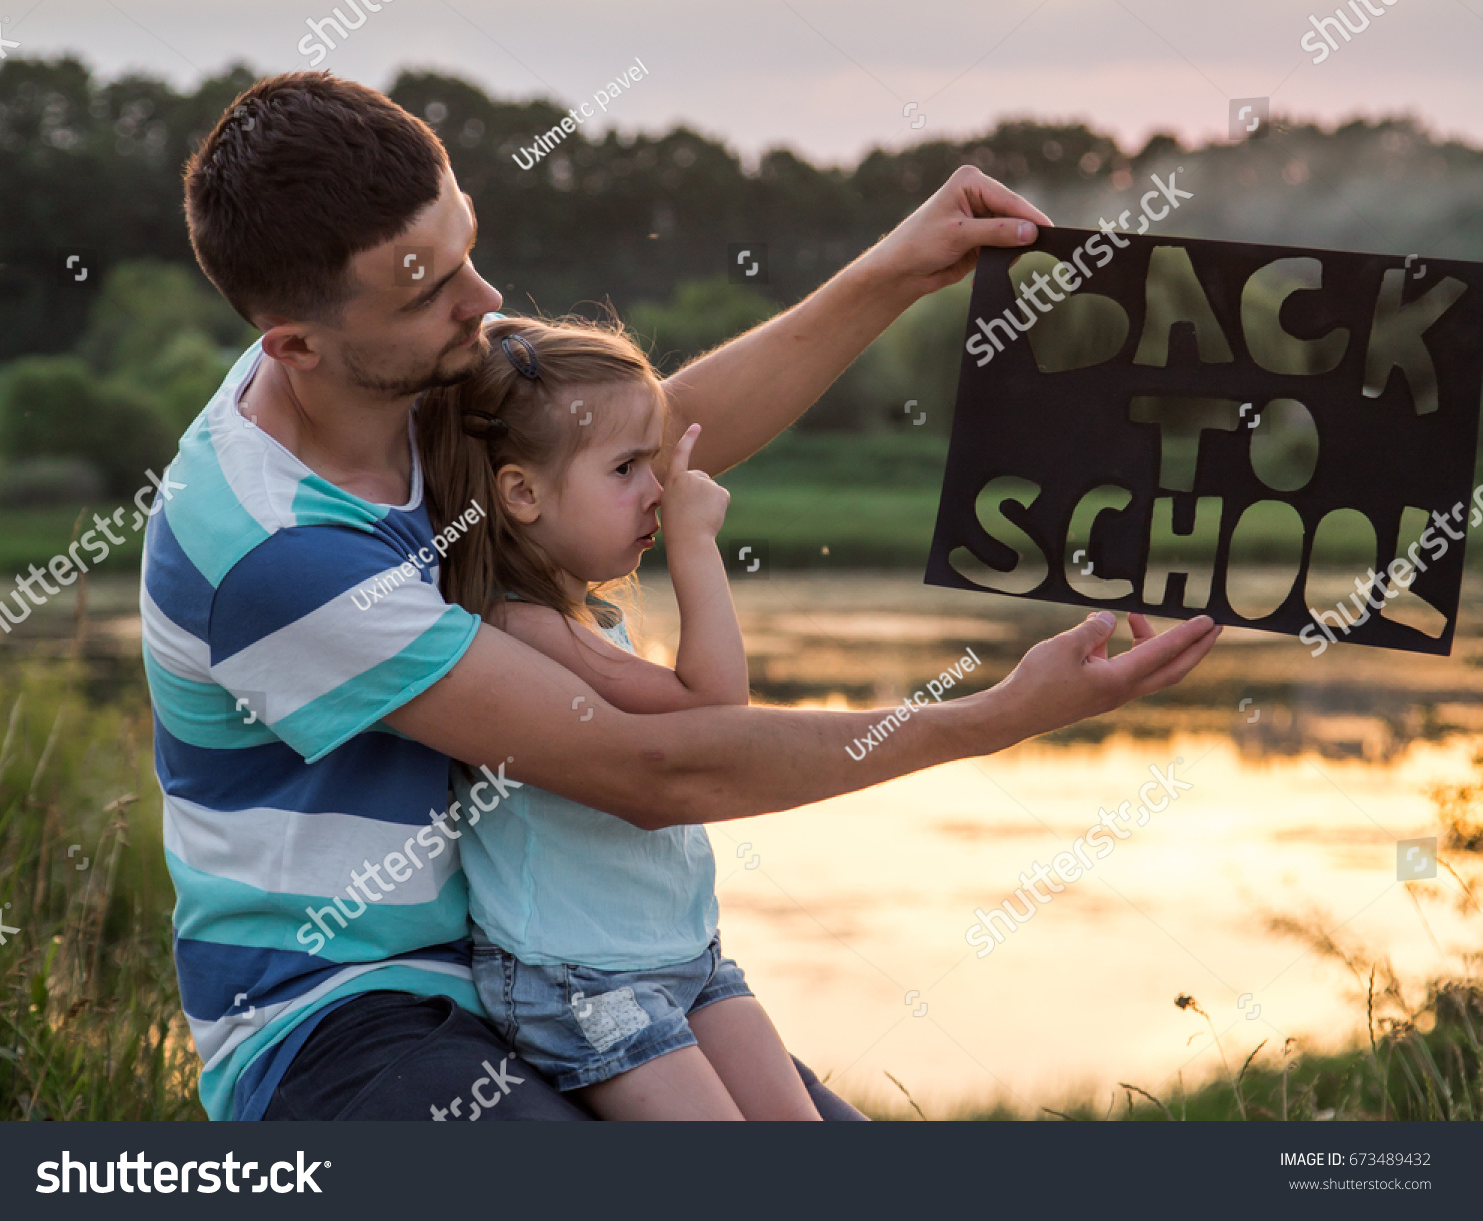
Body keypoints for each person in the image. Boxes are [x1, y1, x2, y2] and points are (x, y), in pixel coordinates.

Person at [148, 70, 1222, 1122]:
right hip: (342, 1019)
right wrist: (995, 718)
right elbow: (649, 768)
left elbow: (633, 452)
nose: (481, 301)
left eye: (467, 244)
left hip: (537, 947)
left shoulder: (412, 367)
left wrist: (899, 269)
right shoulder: (270, 551)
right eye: (428, 287)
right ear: (294, 345)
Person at [417, 314, 822, 1119]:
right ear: (521, 493)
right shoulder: (517, 625)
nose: (659, 490)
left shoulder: (582, 618)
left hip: (686, 959)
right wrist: (697, 547)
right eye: (628, 467)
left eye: (657, 463)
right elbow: (716, 715)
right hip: (579, 979)